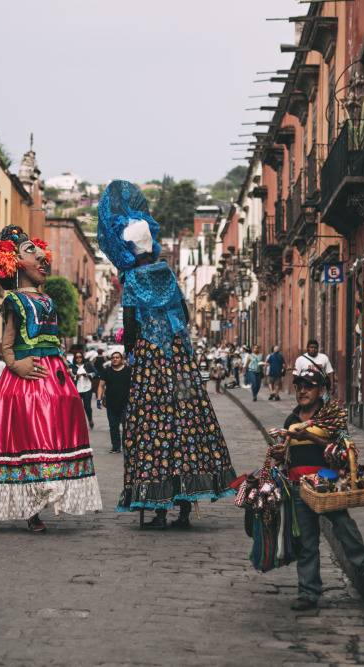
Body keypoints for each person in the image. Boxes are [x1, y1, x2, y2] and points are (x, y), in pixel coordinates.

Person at [97, 180, 236, 529]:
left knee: (151, 427)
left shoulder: (133, 280)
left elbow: (130, 324)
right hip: (180, 359)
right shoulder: (168, 274)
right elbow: (185, 316)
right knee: (186, 426)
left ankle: (158, 509)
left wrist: (133, 352)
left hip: (149, 362)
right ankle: (185, 509)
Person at [0, 225, 102, 532]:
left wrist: (63, 364)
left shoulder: (48, 301)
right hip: (25, 382)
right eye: (31, 251)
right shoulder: (16, 301)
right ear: (14, 262)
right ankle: (32, 507)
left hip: (54, 376)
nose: (43, 257)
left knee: (57, 434)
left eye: (41, 251)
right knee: (30, 440)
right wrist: (15, 365)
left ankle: (48, 492)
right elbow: (6, 345)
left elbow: (53, 341)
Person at [272, 368, 364, 611]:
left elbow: (342, 447)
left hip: (328, 487)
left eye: (308, 386)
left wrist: (311, 436)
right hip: (300, 488)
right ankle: (308, 592)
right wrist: (279, 453)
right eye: (298, 386)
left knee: (344, 525)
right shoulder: (291, 420)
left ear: (321, 391)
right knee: (306, 541)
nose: (301, 391)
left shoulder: (331, 417)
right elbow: (286, 453)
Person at [96, 351, 131, 453]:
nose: (115, 359)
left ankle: (126, 446)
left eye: (117, 357)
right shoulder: (106, 371)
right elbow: (101, 385)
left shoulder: (129, 370)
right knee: (113, 426)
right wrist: (99, 399)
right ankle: (115, 447)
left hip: (126, 403)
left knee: (126, 425)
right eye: (113, 358)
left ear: (122, 359)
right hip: (111, 403)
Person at [70, 351, 98, 429]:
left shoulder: (87, 364)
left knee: (87, 406)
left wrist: (89, 374)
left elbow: (96, 372)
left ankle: (90, 419)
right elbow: (70, 377)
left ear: (83, 357)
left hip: (87, 388)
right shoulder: (73, 367)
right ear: (75, 359)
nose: (79, 359)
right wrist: (76, 377)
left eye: (80, 357)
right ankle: (80, 423)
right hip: (77, 389)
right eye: (77, 357)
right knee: (78, 408)